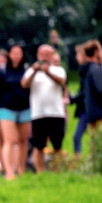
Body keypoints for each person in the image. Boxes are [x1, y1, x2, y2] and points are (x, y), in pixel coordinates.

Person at [21, 44, 67, 173]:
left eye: (48, 54)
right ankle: (39, 171)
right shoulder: (31, 71)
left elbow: (61, 81)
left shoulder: (58, 69)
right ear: (38, 55)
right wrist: (36, 70)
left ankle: (58, 170)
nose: (45, 57)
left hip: (56, 113)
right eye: (43, 54)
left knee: (57, 145)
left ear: (52, 56)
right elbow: (24, 84)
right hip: (38, 113)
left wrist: (47, 72)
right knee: (39, 145)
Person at [0, 44, 31, 179]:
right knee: (10, 140)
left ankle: (21, 170)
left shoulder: (27, 71)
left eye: (19, 53)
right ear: (9, 55)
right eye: (14, 53)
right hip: (6, 109)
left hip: (24, 109)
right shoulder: (3, 72)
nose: (16, 56)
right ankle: (9, 172)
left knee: (22, 141)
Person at [69, 45, 90, 164]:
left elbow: (84, 92)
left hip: (87, 110)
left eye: (78, 55)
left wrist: (72, 99)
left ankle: (78, 162)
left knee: (77, 137)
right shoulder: (84, 70)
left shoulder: (87, 71)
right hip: (85, 109)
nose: (76, 57)